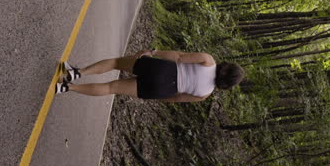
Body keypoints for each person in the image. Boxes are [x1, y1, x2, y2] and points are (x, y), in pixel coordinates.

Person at [55, 50, 244, 102]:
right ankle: (67, 88)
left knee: (115, 63)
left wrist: (153, 52)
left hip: (164, 69)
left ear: (227, 66)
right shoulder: (205, 94)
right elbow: (176, 98)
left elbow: (179, 57)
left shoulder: (208, 61)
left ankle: (77, 73)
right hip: (164, 89)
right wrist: (159, 94)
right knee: (111, 88)